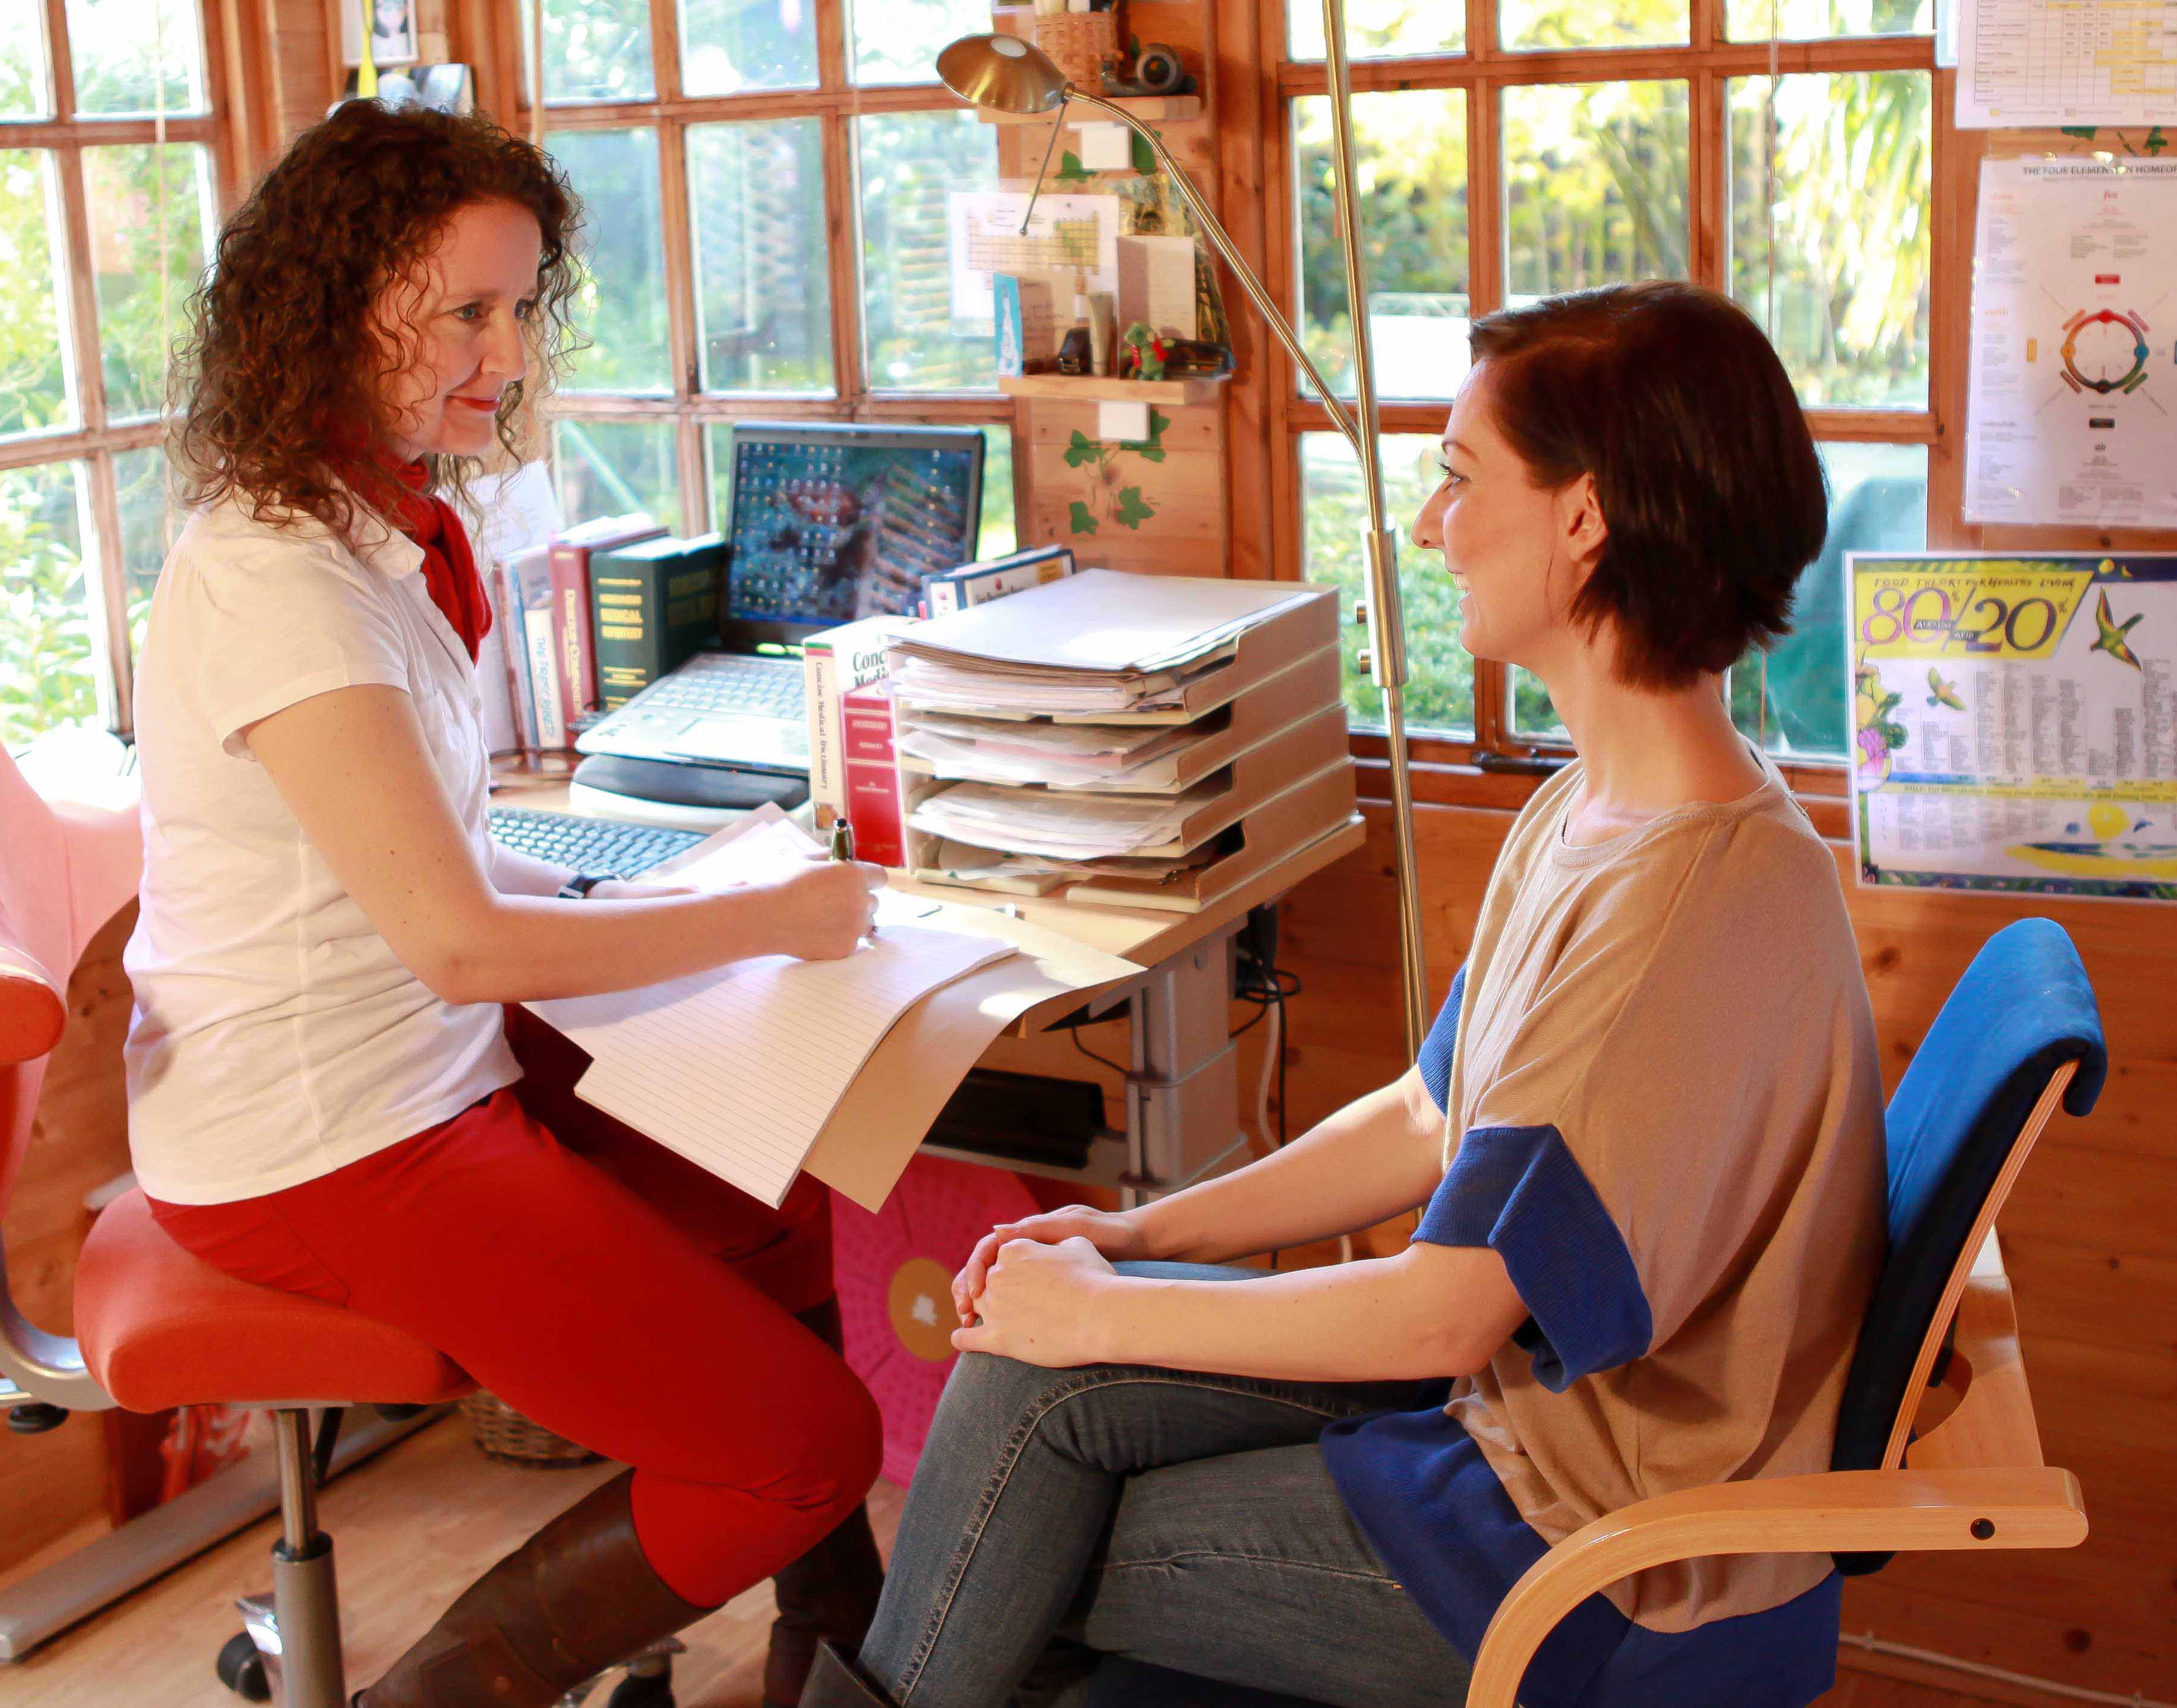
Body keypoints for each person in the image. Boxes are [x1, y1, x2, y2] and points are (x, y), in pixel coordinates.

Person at [797, 280, 1888, 1708]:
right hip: (1510, 1438)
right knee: (1024, 1379)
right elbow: (1424, 1118)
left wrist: (1108, 1311)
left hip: (1585, 1554)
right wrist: (1129, 1235)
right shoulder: (1591, 810)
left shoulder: (1684, 908)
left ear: (1586, 516)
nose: (1430, 524)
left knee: (1028, 1540)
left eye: (1455, 474)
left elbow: (1442, 1319)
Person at [129, 100, 887, 1708]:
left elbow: (442, 862)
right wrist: (763, 919)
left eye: (522, 305)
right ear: (330, 312)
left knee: (771, 1163)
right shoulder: (276, 574)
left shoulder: (388, 516)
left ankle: (845, 1654)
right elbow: (457, 940)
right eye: (464, 312)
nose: (506, 351)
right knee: (805, 1444)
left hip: (411, 1042)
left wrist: (670, 887)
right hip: (328, 1129)